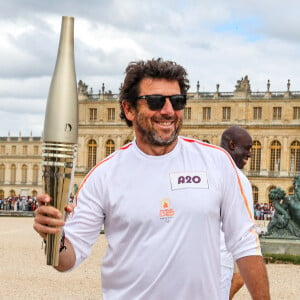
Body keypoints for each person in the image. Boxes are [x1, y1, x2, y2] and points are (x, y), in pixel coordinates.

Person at [34, 58, 270, 299]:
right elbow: (68, 260)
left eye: (177, 102)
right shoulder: (103, 176)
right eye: (156, 101)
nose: (168, 110)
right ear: (128, 109)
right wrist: (55, 237)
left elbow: (244, 243)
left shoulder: (216, 163)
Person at [219, 125, 254, 299]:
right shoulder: (239, 180)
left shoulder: (199, 171)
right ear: (232, 145)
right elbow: (246, 235)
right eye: (247, 148)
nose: (250, 154)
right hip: (220, 263)